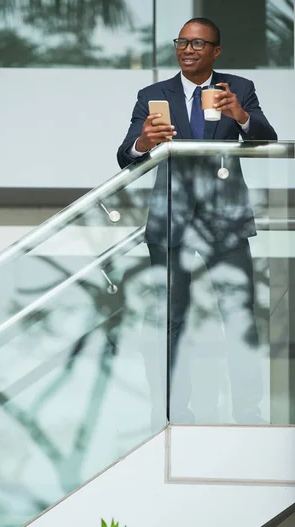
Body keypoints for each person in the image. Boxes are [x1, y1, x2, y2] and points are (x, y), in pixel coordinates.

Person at [117, 18, 277, 425]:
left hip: (225, 221)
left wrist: (241, 117)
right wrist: (144, 142)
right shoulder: (152, 94)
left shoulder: (237, 88)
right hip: (171, 221)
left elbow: (265, 139)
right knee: (171, 320)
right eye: (182, 42)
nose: (188, 49)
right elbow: (125, 154)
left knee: (239, 315)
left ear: (215, 51)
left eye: (198, 43)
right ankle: (173, 413)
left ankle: (248, 412)